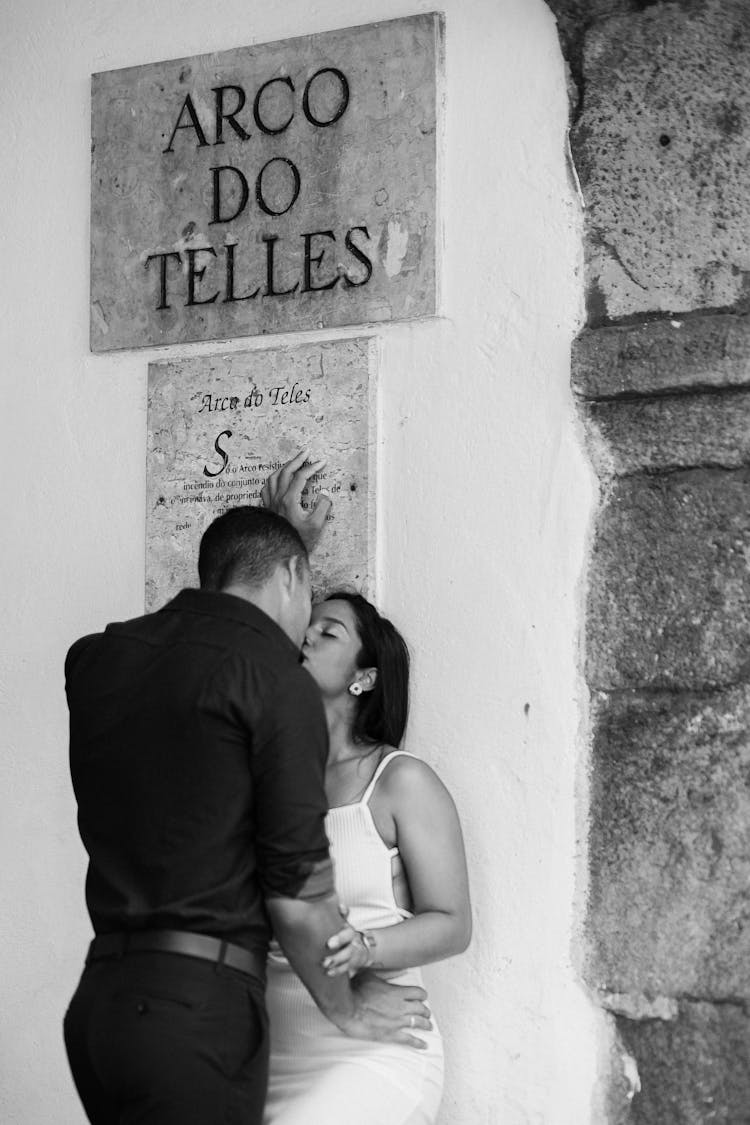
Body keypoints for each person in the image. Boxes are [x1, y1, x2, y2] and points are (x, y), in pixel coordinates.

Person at [63, 493, 431, 1125]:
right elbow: (295, 890)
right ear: (291, 576)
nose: (302, 634)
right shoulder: (270, 681)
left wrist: (268, 547)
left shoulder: (96, 661)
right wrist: (347, 1009)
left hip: (101, 1009)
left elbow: (187, 647)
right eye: (306, 599)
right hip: (196, 1018)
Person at [261, 450, 472, 1125]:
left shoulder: (399, 782)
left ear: (364, 677)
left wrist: (366, 947)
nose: (306, 637)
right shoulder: (267, 776)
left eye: (328, 631)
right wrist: (281, 539)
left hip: (375, 1048)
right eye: (305, 624)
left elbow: (453, 923)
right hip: (271, 1051)